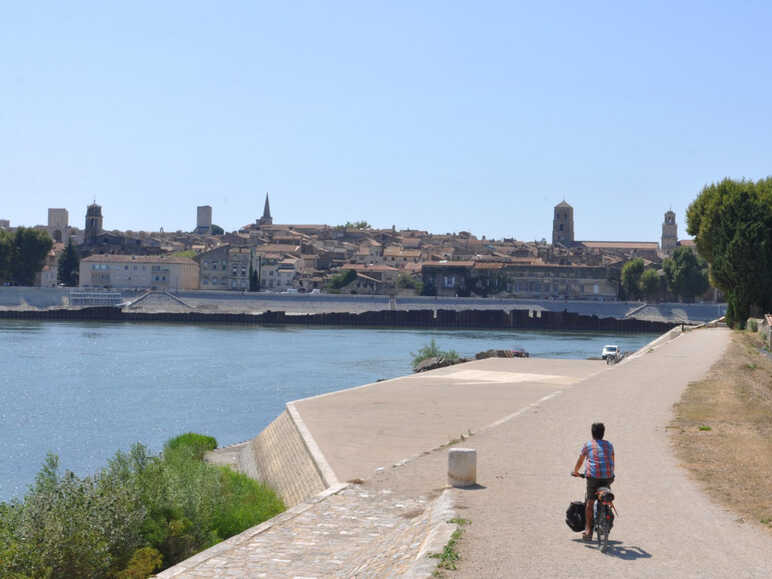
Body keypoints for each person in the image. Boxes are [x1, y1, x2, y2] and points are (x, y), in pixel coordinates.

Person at [572, 422, 615, 540]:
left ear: (592, 433)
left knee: (590, 503)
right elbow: (612, 460)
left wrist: (576, 471)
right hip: (608, 476)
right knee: (606, 495)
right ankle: (606, 515)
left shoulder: (588, 445)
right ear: (603, 433)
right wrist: (610, 474)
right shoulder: (609, 445)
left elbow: (580, 461)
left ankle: (588, 531)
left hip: (593, 477)